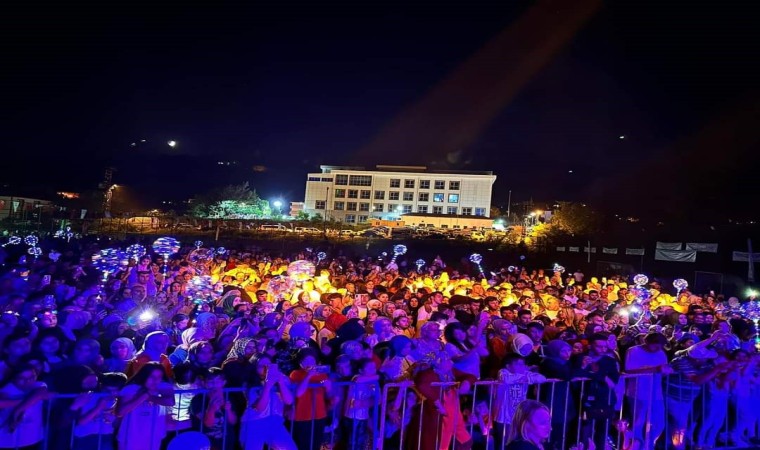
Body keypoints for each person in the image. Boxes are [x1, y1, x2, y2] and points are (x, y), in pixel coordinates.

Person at [115, 361, 175, 450]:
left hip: (153, 435)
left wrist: (149, 397)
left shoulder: (162, 387)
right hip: (131, 434)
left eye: (159, 377)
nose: (155, 380)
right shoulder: (131, 388)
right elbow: (120, 411)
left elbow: (170, 401)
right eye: (152, 376)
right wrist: (143, 396)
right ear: (144, 375)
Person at [240, 355, 296, 450]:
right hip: (254, 423)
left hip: (275, 422)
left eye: (268, 365)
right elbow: (260, 408)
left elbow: (289, 400)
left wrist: (281, 382)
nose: (266, 368)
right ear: (254, 367)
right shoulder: (250, 383)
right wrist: (267, 385)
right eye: (262, 366)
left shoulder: (281, 378)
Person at [289, 348, 332, 450]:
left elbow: (329, 395)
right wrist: (308, 376)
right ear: (300, 362)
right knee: (303, 446)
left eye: (312, 360)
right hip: (302, 416)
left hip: (319, 415)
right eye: (306, 360)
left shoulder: (322, 374)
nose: (309, 363)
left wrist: (328, 386)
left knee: (316, 445)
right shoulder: (295, 374)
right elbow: (298, 393)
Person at [0, 363, 49, 450]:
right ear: (14, 377)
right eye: (22, 378)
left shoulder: (39, 385)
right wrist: (25, 402)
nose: (28, 381)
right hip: (8, 441)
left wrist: (17, 410)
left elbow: (40, 393)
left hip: (33, 438)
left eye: (32, 377)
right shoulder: (6, 390)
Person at [191, 367, 240, 450]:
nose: (214, 384)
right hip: (206, 443)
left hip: (227, 442)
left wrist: (228, 410)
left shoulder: (229, 397)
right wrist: (211, 409)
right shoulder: (198, 400)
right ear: (205, 383)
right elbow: (208, 423)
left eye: (218, 381)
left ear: (224, 382)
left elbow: (233, 421)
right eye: (211, 381)